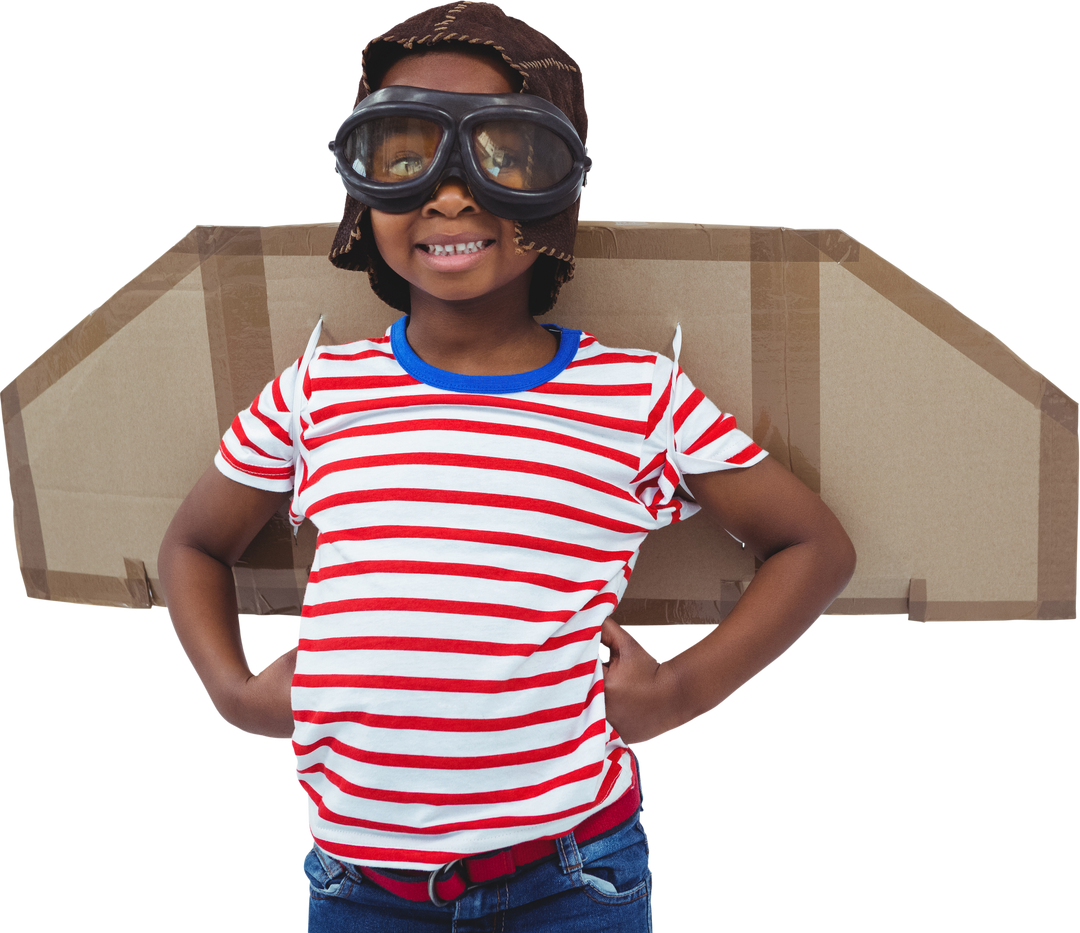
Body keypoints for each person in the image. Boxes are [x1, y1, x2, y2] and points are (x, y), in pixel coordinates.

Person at [156, 2, 856, 930]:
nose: (449, 195)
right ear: (360, 187)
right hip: (356, 882)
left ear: (557, 184)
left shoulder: (635, 398)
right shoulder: (320, 389)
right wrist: (236, 694)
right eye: (403, 153)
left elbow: (813, 544)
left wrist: (679, 692)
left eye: (503, 153)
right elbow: (194, 544)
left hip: (572, 875)